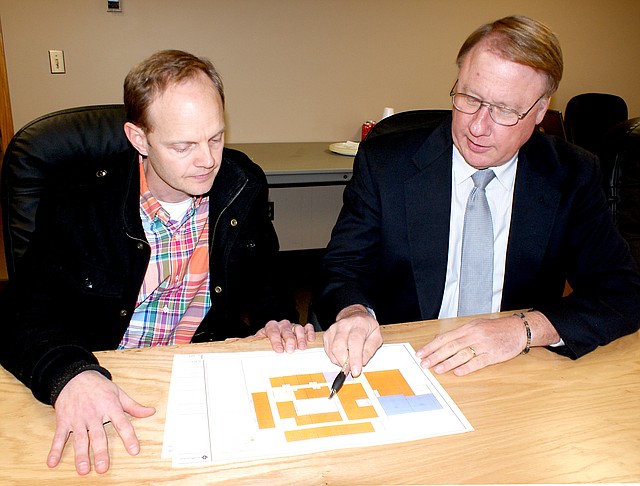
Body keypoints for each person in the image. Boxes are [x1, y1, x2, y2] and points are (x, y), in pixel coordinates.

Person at [0, 50, 314, 475]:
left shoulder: (242, 184)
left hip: (198, 374)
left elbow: (262, 275)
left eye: (216, 138)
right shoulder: (80, 204)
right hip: (106, 377)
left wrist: (274, 317)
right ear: (138, 138)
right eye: (183, 146)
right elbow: (21, 315)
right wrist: (70, 375)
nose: (207, 161)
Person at [315, 16, 640, 380]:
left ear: (539, 111)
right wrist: (353, 312)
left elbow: (623, 292)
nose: (477, 126)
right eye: (469, 97)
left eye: (504, 110)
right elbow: (343, 267)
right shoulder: (386, 164)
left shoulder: (571, 175)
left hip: (513, 367)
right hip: (403, 363)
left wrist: (524, 329)